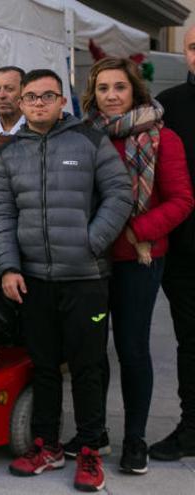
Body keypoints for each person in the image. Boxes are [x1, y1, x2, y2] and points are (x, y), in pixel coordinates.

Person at [0, 69, 132, 492]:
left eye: (46, 96)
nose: (37, 103)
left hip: (85, 278)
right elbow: (1, 214)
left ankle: (89, 451)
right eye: (30, 97)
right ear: (21, 103)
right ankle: (46, 446)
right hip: (33, 280)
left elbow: (119, 194)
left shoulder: (89, 141)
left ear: (61, 101)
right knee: (45, 367)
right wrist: (9, 267)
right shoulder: (9, 153)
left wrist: (93, 241)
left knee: (88, 367)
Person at [78, 56, 195, 474]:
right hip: (89, 260)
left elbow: (182, 200)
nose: (111, 96)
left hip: (138, 259)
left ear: (135, 92)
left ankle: (135, 439)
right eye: (104, 88)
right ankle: (94, 435)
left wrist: (134, 231)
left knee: (131, 349)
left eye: (119, 88)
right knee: (91, 351)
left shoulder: (163, 139)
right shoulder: (83, 138)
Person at [151, 25, 195, 463]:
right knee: (191, 345)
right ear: (185, 54)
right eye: (194, 47)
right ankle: (192, 429)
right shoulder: (170, 106)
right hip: (186, 253)